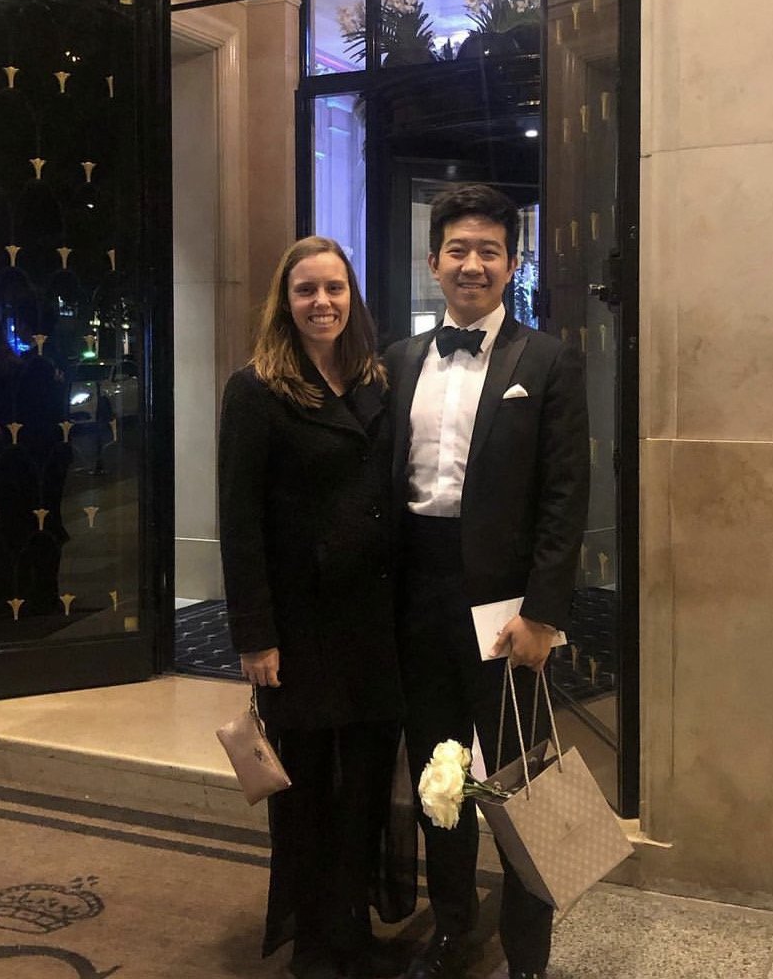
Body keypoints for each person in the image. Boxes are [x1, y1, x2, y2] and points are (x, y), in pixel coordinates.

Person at [384, 185, 590, 979]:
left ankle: (530, 953)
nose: (473, 264)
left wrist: (544, 614)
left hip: (506, 606)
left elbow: (565, 496)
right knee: (440, 771)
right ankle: (454, 931)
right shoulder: (401, 359)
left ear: (512, 263)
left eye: (490, 251)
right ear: (433, 261)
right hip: (417, 596)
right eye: (458, 250)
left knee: (520, 778)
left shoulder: (547, 360)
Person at [218, 237, 413, 979]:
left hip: (374, 624)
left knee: (364, 784)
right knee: (304, 793)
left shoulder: (379, 380)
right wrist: (254, 635)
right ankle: (313, 944)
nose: (322, 303)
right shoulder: (256, 389)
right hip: (298, 630)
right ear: (285, 301)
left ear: (352, 297)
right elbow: (240, 523)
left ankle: (354, 929)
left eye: (334, 289)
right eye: (306, 291)